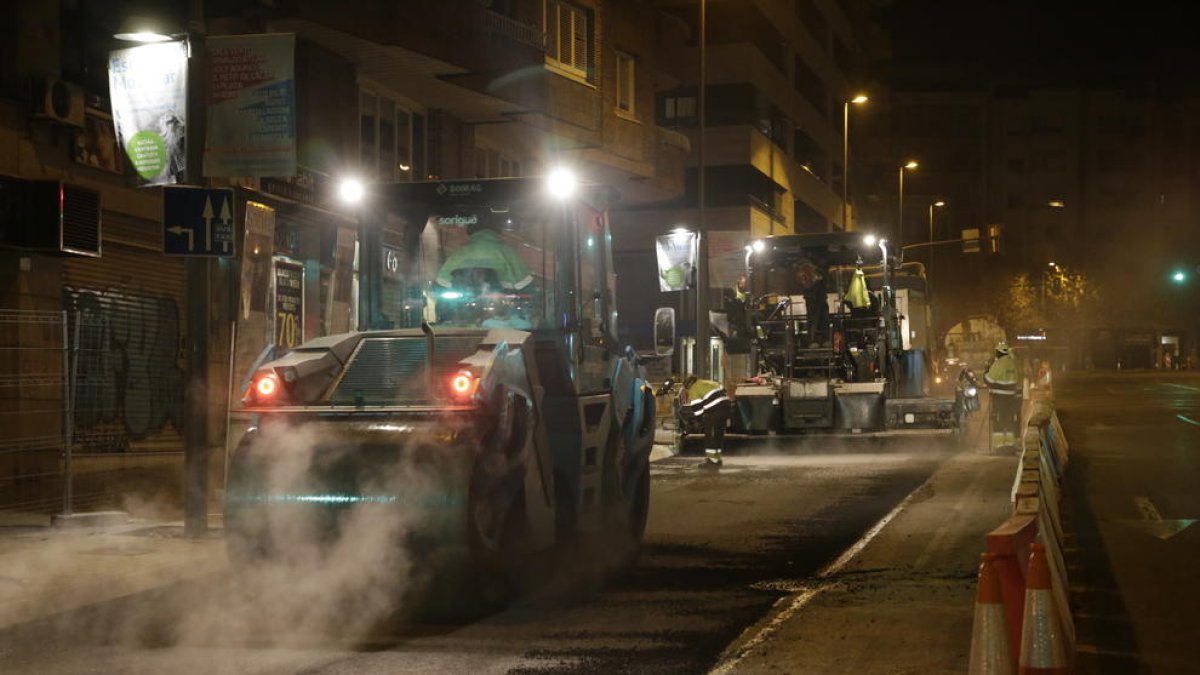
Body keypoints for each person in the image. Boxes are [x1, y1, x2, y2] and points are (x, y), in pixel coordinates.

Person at [679, 375, 731, 468]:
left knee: (710, 435)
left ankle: (712, 461)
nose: (687, 390)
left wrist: (698, 423)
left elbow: (698, 410)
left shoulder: (693, 388)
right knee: (718, 434)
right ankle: (717, 459)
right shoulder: (707, 382)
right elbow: (723, 390)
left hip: (715, 409)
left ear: (689, 384)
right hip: (726, 407)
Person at [984, 341, 1021, 448]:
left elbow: (989, 380)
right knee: (1009, 420)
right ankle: (1010, 444)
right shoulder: (1012, 363)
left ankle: (999, 446)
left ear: (999, 352)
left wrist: (986, 370)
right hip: (1011, 398)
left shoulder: (999, 364)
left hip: (1000, 398)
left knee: (998, 420)